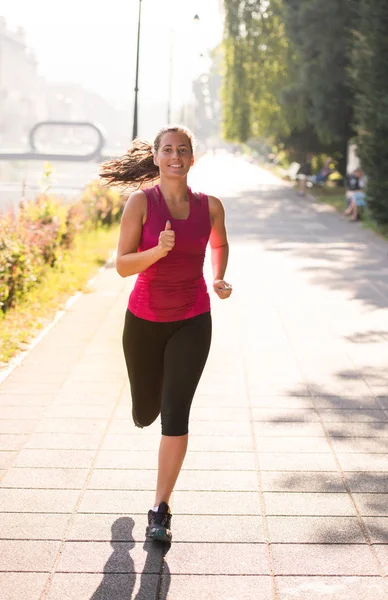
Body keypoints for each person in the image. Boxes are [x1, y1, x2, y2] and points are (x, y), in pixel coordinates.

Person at [100, 125, 232, 543]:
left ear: (193, 158)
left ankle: (160, 509)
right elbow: (122, 265)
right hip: (143, 321)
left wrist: (219, 279)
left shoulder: (210, 206)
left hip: (193, 319)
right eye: (168, 150)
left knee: (176, 414)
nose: (176, 156)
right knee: (145, 413)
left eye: (184, 150)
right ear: (156, 157)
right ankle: (147, 403)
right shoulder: (141, 203)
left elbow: (220, 244)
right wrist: (158, 250)